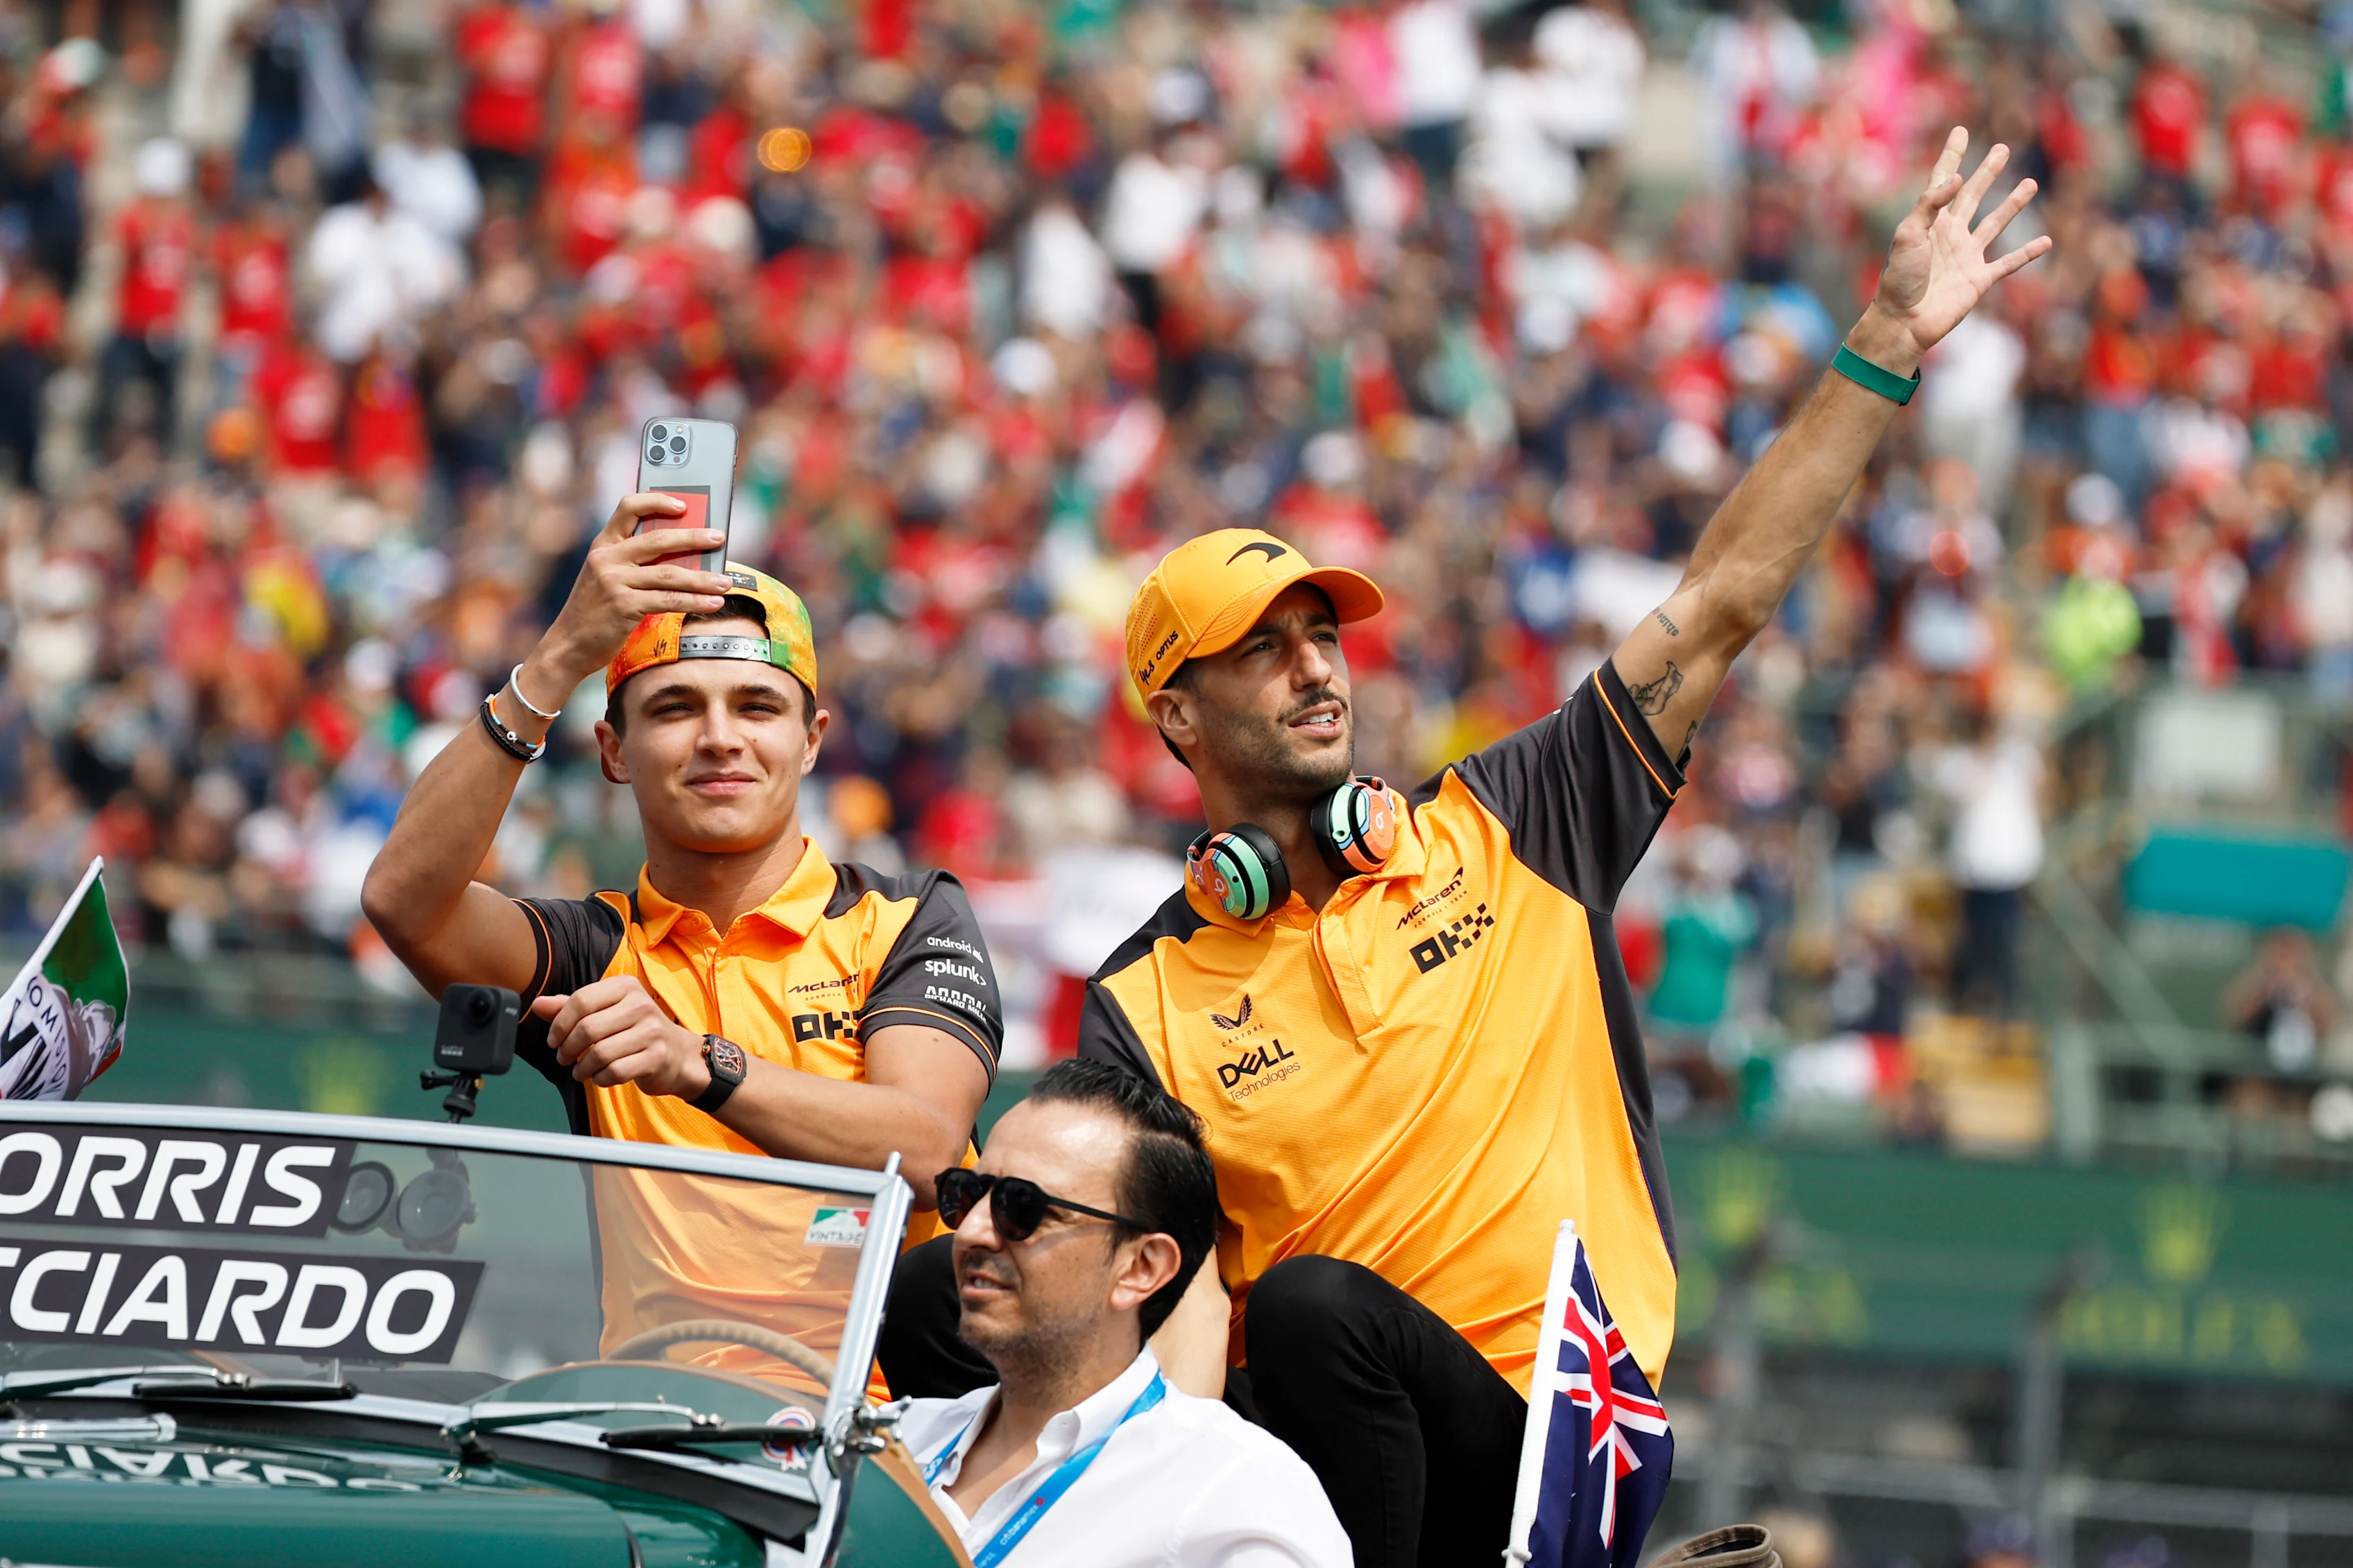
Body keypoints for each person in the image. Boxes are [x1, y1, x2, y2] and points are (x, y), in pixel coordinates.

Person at [891, 129, 2050, 1567]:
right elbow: (1164, 1287)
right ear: (1174, 712)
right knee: (944, 1287)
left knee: (1315, 1304)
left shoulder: (1514, 821)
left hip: (1568, 1434)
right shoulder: (1145, 998)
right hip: (1312, 1457)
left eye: (1326, 634)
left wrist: (1881, 338)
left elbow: (1720, 602)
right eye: (1266, 650)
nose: (1319, 669)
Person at [361, 497, 1003, 1368]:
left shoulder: (906, 913)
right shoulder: (591, 953)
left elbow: (926, 1147)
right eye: (672, 709)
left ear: (810, 741)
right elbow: (406, 898)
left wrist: (698, 1062)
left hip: (879, 1434)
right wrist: (555, 662)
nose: (719, 738)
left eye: (756, 706)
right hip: (655, 1434)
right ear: (614, 752)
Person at [896, 1060, 1351, 1568]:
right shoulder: (886, 1444)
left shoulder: (1236, 1492)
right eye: (968, 1193)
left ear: (1141, 1266)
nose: (972, 1231)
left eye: (1021, 1206)